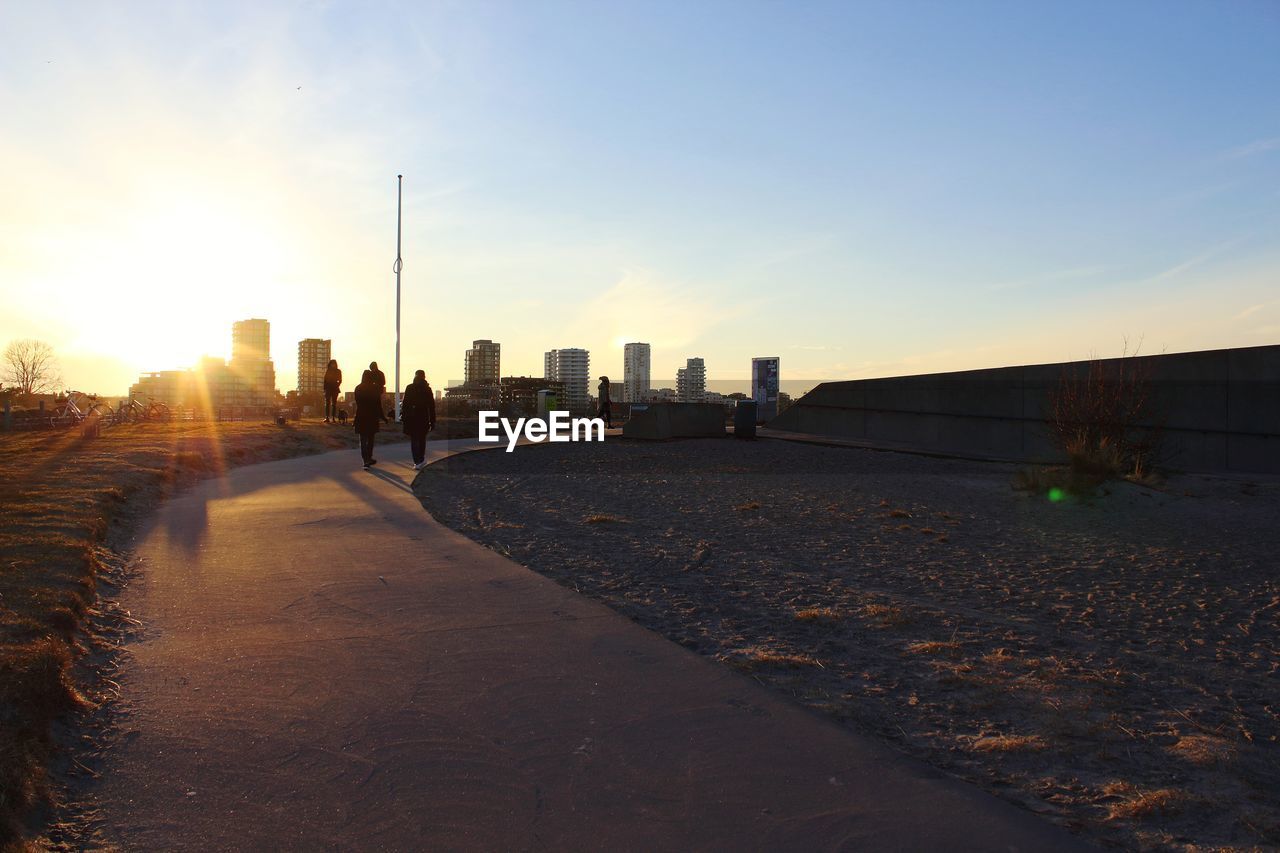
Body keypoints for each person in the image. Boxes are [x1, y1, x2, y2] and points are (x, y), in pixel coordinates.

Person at [353, 369, 388, 469]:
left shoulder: (358, 388)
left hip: (361, 416)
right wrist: (383, 417)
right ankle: (369, 457)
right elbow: (378, 405)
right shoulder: (375, 388)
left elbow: (358, 403)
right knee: (371, 439)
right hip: (372, 416)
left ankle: (365, 460)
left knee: (363, 439)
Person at [401, 369, 436, 469]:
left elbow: (405, 404)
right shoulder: (427, 389)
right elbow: (431, 407)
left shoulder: (409, 388)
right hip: (423, 417)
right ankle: (420, 459)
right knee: (422, 439)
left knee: (414, 439)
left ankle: (417, 461)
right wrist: (432, 421)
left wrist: (404, 417)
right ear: (424, 377)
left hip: (412, 418)